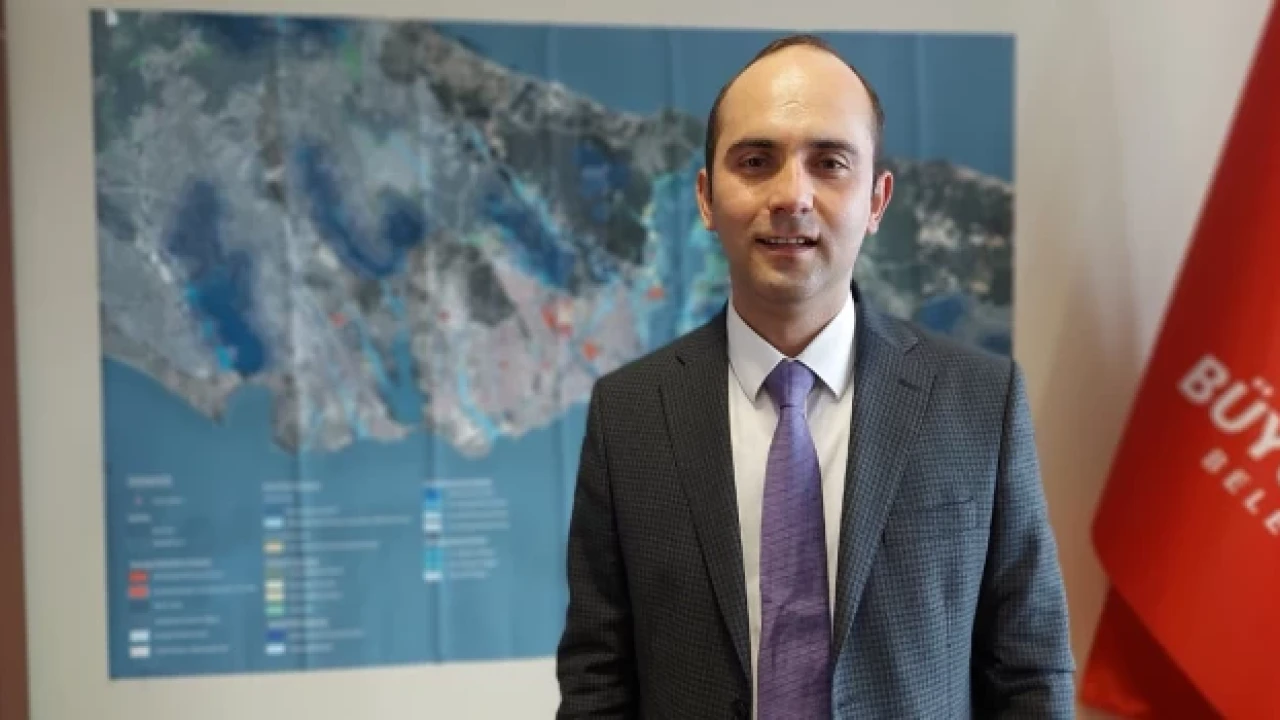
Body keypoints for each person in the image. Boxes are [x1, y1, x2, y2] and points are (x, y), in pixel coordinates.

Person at [555, 33, 1075, 719]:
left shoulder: (980, 403)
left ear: (877, 200)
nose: (791, 195)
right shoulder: (630, 414)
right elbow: (598, 681)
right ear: (706, 197)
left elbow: (1030, 671)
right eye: (756, 161)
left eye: (829, 163)